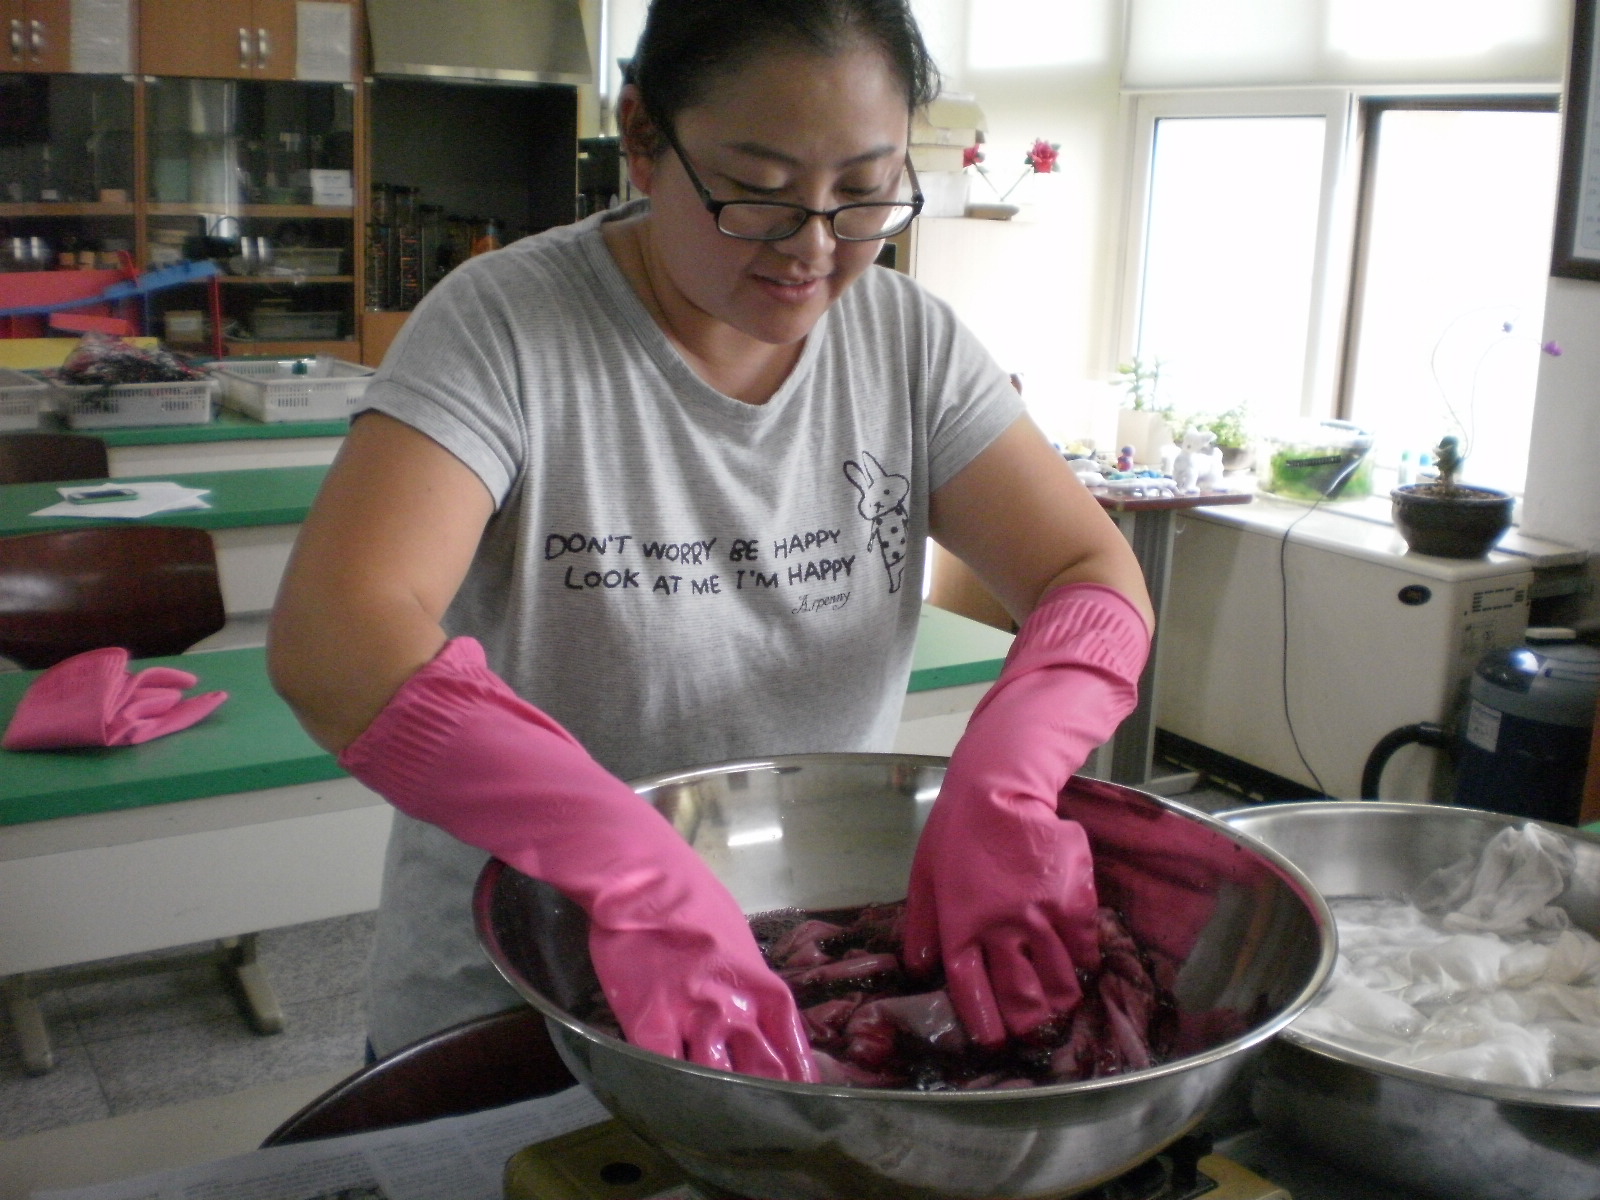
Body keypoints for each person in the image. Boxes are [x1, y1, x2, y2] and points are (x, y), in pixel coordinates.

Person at [267, 0, 1154, 1079]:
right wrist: (626, 862)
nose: (815, 248)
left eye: (864, 192)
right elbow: (337, 635)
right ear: (643, 138)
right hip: (529, 998)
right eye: (761, 194)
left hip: (806, 970)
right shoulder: (507, 326)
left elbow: (1088, 573)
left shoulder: (905, 342)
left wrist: (1008, 776)